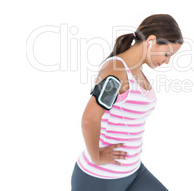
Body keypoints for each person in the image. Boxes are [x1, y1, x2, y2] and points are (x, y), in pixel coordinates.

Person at [71, 14, 183, 191]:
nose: (167, 61)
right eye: (167, 53)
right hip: (100, 179)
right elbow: (89, 119)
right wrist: (97, 157)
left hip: (134, 173)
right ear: (151, 41)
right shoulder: (116, 72)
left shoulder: (135, 69)